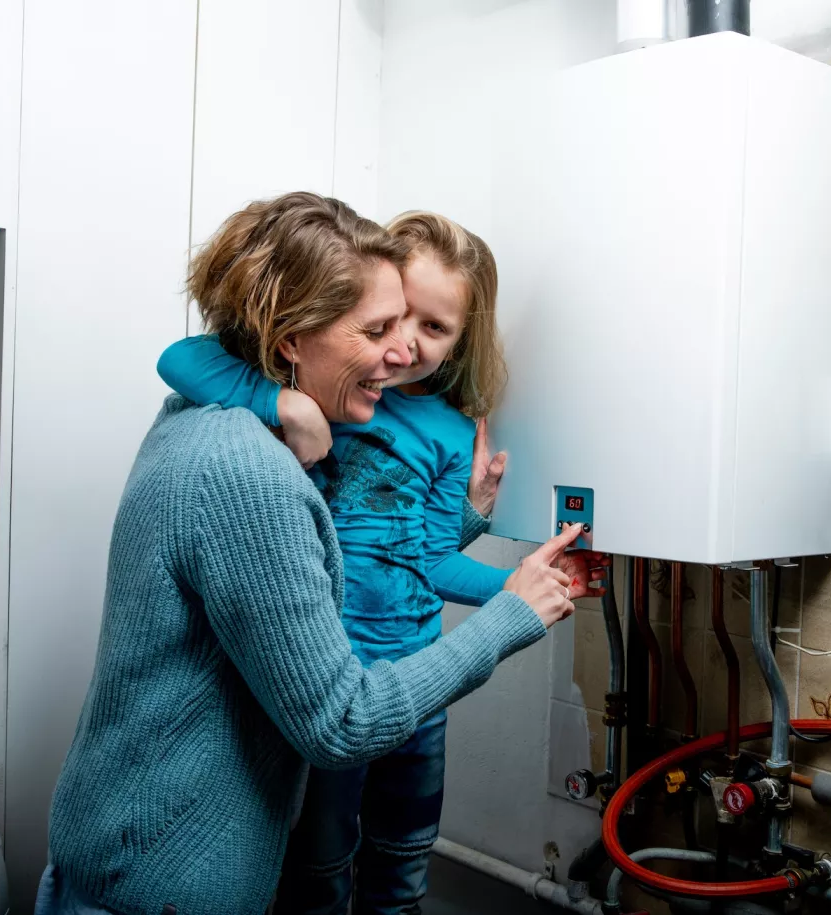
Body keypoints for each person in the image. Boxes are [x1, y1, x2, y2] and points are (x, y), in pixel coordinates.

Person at [38, 192, 607, 915]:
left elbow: (393, 553)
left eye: (424, 326)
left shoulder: (211, 420)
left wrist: (471, 521)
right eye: (378, 328)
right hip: (152, 890)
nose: (400, 351)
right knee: (327, 869)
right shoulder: (248, 467)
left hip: (134, 863)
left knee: (394, 859)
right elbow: (343, 722)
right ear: (293, 337)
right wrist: (513, 609)